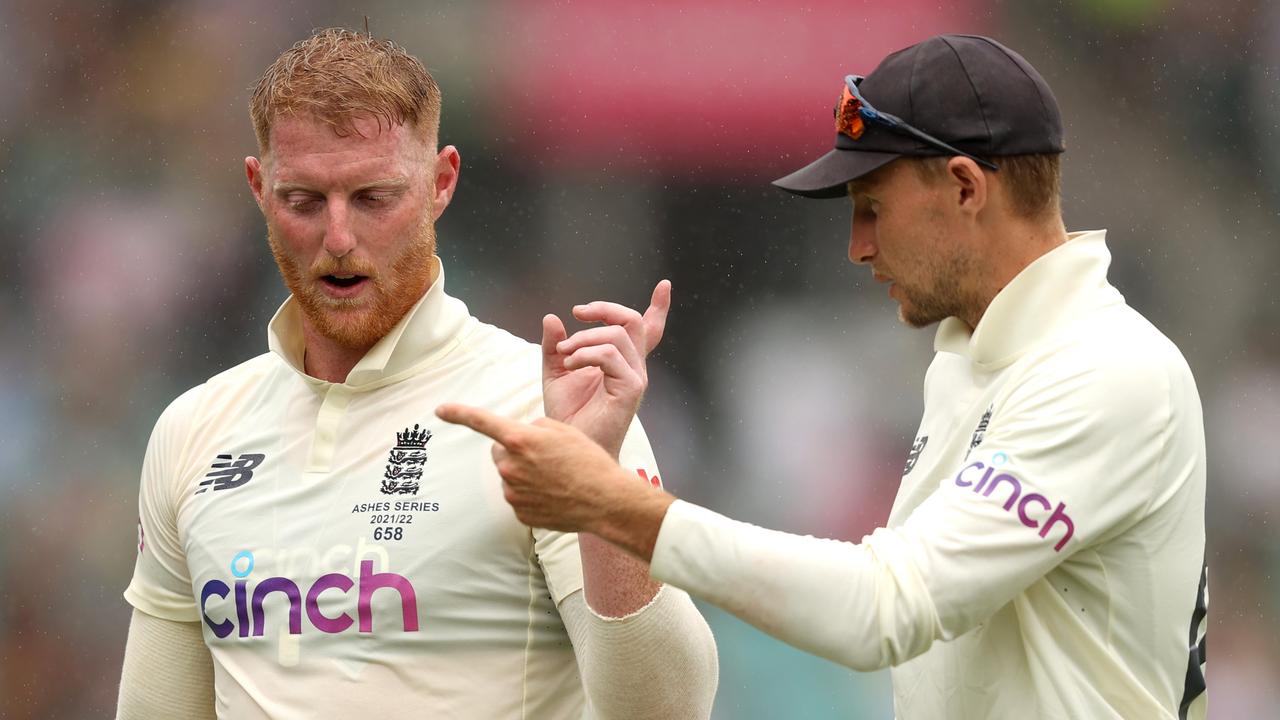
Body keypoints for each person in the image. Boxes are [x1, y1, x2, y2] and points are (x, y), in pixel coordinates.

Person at [438, 34, 1209, 719]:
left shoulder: (1105, 371)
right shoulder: (972, 360)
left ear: (968, 188)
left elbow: (883, 607)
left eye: (873, 208)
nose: (857, 246)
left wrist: (614, 504)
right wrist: (605, 478)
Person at [116, 28, 717, 720]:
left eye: (373, 198)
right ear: (258, 187)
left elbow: (669, 709)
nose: (338, 238)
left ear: (441, 183)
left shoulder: (546, 411)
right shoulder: (194, 430)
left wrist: (596, 486)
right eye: (304, 201)